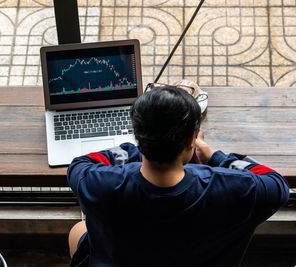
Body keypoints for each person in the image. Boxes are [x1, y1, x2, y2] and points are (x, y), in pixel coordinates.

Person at [67, 84, 289, 267]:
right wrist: (215, 157)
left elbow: (79, 165)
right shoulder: (236, 189)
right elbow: (276, 183)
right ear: (192, 139)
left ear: (138, 135)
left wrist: (138, 148)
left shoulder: (98, 184)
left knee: (79, 230)